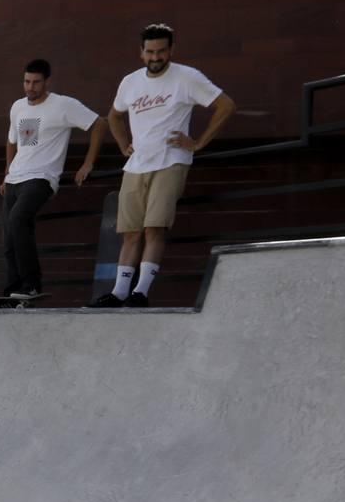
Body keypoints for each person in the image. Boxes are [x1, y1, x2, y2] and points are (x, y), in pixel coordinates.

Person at [91, 23, 236, 307]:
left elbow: (226, 105)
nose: (155, 57)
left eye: (161, 51)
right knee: (130, 232)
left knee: (154, 228)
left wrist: (199, 142)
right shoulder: (130, 82)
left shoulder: (187, 77)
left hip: (171, 161)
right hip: (136, 165)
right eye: (150, 52)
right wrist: (123, 145)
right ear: (141, 52)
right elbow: (114, 116)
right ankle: (119, 293)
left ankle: (140, 292)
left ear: (171, 50)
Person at [0, 59, 105, 301]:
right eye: (27, 81)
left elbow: (99, 123)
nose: (30, 87)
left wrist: (88, 163)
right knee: (8, 236)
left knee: (18, 220)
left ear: (47, 81)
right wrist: (7, 173)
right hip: (15, 178)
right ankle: (13, 291)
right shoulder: (17, 107)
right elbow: (11, 140)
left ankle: (31, 284)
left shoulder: (63, 105)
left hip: (42, 177)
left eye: (36, 82)